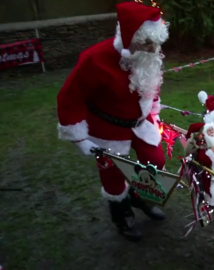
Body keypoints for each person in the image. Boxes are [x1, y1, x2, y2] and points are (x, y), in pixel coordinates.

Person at [56, 2, 169, 242]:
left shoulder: (149, 55)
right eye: (148, 43)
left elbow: (151, 85)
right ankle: (122, 214)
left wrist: (155, 112)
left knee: (155, 161)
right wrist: (79, 137)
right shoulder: (94, 59)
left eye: (157, 42)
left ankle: (140, 197)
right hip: (107, 128)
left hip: (141, 122)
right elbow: (69, 96)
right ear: (130, 39)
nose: (154, 49)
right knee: (113, 176)